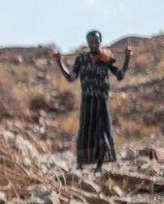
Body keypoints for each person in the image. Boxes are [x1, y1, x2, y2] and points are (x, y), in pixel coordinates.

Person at [53, 30, 132, 171]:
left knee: (102, 131)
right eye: (91, 41)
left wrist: (127, 58)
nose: (94, 43)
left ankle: (99, 165)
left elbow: (119, 75)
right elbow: (71, 77)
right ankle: (80, 163)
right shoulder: (81, 59)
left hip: (102, 100)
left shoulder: (106, 57)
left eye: (96, 41)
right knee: (85, 130)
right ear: (88, 42)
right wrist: (59, 62)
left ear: (100, 41)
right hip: (87, 100)